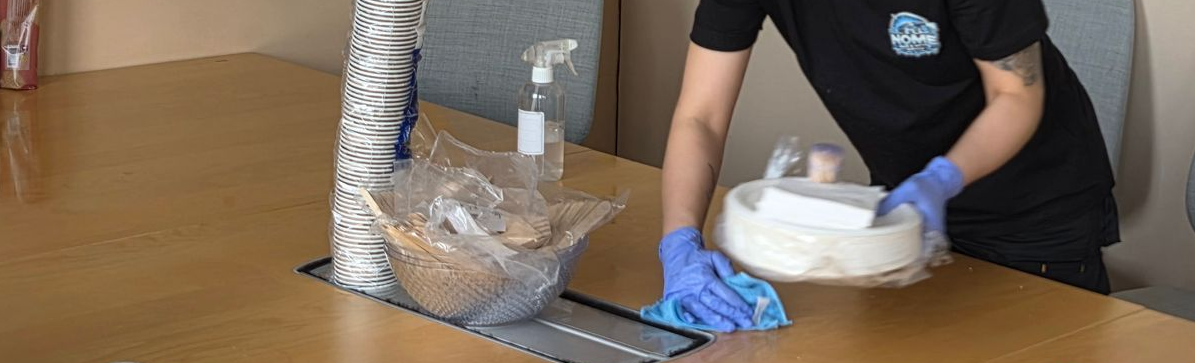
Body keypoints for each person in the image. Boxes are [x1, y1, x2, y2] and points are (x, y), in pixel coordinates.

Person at [657, 0, 1121, 332]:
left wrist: (940, 181)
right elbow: (702, 117)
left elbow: (1017, 94)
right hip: (899, 214)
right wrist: (680, 243)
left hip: (1036, 212)